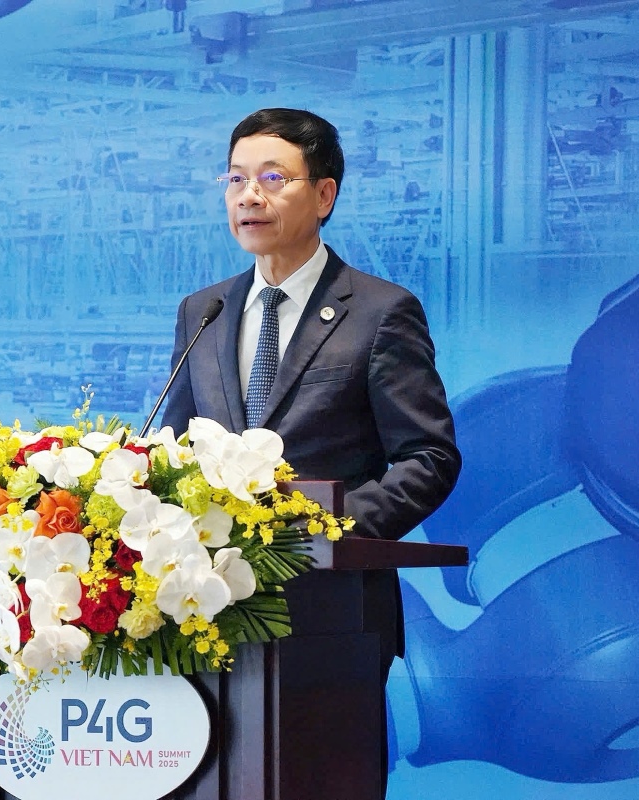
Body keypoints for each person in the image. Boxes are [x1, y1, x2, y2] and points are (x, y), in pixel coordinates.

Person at [160, 107, 461, 797]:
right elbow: (172, 449)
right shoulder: (202, 311)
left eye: (273, 178)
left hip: (332, 616)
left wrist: (326, 530)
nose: (249, 196)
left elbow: (429, 457)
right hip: (208, 616)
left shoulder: (380, 312)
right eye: (236, 179)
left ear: (324, 195)